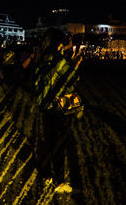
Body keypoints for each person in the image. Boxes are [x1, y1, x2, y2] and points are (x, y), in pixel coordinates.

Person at [31, 28, 83, 194]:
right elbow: (72, 80)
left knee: (48, 142)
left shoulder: (42, 57)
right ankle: (59, 182)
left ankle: (45, 176)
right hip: (58, 107)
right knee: (59, 145)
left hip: (45, 106)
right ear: (59, 43)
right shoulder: (58, 59)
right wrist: (74, 66)